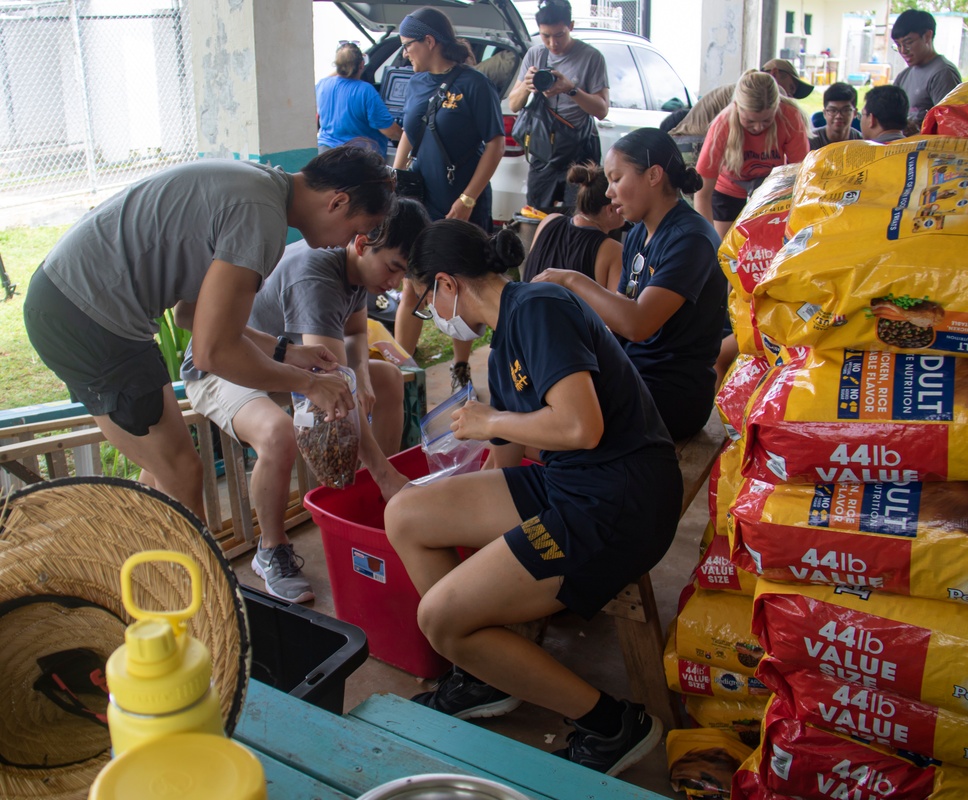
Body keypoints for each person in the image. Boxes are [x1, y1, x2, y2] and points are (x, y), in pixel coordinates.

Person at [384, 219, 682, 777]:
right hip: (571, 483)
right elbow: (510, 451)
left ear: (448, 283)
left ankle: (612, 724)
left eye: (427, 301)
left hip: (619, 501)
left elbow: (579, 427)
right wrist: (497, 537)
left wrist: (488, 420)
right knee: (407, 513)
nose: (432, 315)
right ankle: (480, 673)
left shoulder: (540, 307)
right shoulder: (502, 344)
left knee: (440, 620)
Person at [22, 146, 395, 523]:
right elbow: (213, 354)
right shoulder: (262, 219)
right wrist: (309, 384)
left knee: (164, 467)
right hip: (89, 315)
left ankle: (149, 565)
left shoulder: (261, 184)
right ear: (337, 202)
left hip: (70, 298)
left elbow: (190, 314)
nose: (349, 241)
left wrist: (286, 351)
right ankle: (196, 581)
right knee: (183, 472)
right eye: (356, 230)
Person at [180, 199, 430, 602]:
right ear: (363, 244)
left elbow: (355, 335)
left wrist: (363, 374)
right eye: (394, 268)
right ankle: (271, 549)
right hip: (221, 364)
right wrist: (386, 472)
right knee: (278, 434)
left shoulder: (359, 270)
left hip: (282, 363)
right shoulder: (317, 276)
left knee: (386, 379)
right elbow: (330, 385)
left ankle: (367, 494)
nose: (395, 283)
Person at [534, 128, 727, 442]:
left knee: (541, 424)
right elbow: (619, 320)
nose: (609, 192)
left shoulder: (691, 238)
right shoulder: (638, 232)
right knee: (534, 386)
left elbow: (637, 324)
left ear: (653, 175)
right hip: (634, 375)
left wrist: (572, 280)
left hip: (672, 396)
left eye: (616, 178)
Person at [391, 6, 505, 392]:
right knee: (411, 282)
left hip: (462, 204)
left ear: (429, 41)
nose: (404, 53)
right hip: (422, 200)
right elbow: (411, 129)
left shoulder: (474, 85)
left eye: (408, 45)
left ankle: (460, 367)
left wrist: (469, 198)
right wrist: (397, 173)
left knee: (461, 283)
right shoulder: (416, 83)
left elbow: (496, 142)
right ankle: (402, 370)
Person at [508, 0, 609, 209]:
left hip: (578, 152)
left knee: (580, 216)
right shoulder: (535, 54)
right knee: (537, 215)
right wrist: (527, 86)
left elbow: (601, 110)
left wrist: (570, 89)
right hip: (543, 151)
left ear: (570, 26)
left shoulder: (591, 57)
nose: (553, 43)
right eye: (545, 36)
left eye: (559, 35)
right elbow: (513, 106)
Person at [694, 69, 810, 240]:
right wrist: (708, 241)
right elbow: (702, 193)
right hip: (729, 188)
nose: (758, 127)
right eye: (750, 121)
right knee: (723, 248)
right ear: (737, 108)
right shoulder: (722, 125)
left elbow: (800, 177)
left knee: (769, 245)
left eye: (766, 121)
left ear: (776, 108)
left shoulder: (790, 117)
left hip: (771, 188)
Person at [520, 161, 623, 291]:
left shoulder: (549, 221)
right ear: (610, 210)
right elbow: (615, 309)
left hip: (525, 309)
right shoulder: (612, 251)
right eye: (622, 202)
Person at [316, 42, 403, 158]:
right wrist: (407, 138)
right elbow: (389, 130)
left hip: (325, 153)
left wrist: (343, 63)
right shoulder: (365, 91)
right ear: (362, 65)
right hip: (357, 158)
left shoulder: (322, 84)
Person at [891, 9, 961, 127]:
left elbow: (950, 124)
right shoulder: (903, 76)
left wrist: (917, 131)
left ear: (928, 36)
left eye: (908, 42)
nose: (903, 51)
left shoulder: (943, 73)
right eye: (898, 45)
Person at [809, 82, 863, 150]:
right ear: (824, 113)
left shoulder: (862, 142)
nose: (838, 116)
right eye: (833, 110)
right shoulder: (810, 141)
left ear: (855, 113)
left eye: (845, 110)